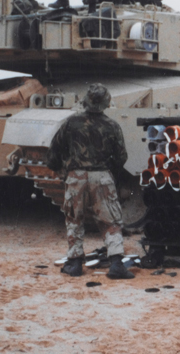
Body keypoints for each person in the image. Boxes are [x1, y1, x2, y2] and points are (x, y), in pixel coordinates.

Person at [46, 83, 134, 280]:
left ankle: (75, 263)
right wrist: (108, 172)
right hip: (101, 176)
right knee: (111, 220)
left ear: (85, 101)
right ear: (106, 103)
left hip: (75, 176)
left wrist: (59, 168)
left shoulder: (70, 123)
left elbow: (54, 151)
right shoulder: (112, 126)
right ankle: (116, 264)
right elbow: (121, 157)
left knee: (74, 218)